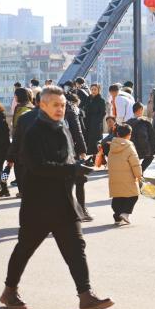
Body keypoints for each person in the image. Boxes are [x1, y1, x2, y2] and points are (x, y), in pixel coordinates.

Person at [0, 85, 113, 309]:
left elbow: (66, 160)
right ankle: (9, 291)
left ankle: (86, 297)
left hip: (63, 201)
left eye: (62, 105)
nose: (60, 109)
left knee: (76, 248)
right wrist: (72, 170)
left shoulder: (63, 127)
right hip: (39, 203)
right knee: (25, 248)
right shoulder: (34, 131)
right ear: (42, 105)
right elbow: (38, 166)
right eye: (55, 105)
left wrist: (79, 168)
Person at [107, 123, 142, 226]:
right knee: (134, 195)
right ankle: (125, 213)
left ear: (117, 134)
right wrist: (139, 175)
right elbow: (135, 163)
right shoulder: (129, 146)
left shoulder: (112, 145)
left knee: (118, 196)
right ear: (129, 134)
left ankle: (117, 217)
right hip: (128, 176)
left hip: (114, 177)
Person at [6, 93, 40, 197]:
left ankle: (24, 191)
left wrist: (11, 155)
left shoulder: (24, 113)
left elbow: (17, 136)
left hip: (25, 151)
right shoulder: (55, 116)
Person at [65, 93, 90, 221]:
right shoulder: (72, 111)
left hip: (59, 152)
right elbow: (78, 132)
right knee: (79, 180)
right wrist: (82, 150)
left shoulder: (47, 111)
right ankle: (81, 210)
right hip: (72, 150)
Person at [126, 103, 155, 172]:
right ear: (140, 109)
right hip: (141, 148)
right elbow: (143, 136)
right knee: (150, 157)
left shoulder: (128, 123)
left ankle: (136, 172)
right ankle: (139, 172)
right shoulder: (143, 123)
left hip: (130, 148)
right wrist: (148, 150)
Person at [84, 84, 106, 155]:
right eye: (92, 89)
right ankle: (88, 153)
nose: (93, 91)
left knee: (96, 139)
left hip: (96, 123)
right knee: (87, 138)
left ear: (98, 90)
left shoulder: (101, 100)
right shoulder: (88, 99)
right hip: (87, 121)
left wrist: (97, 120)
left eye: (95, 89)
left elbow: (103, 113)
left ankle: (97, 155)